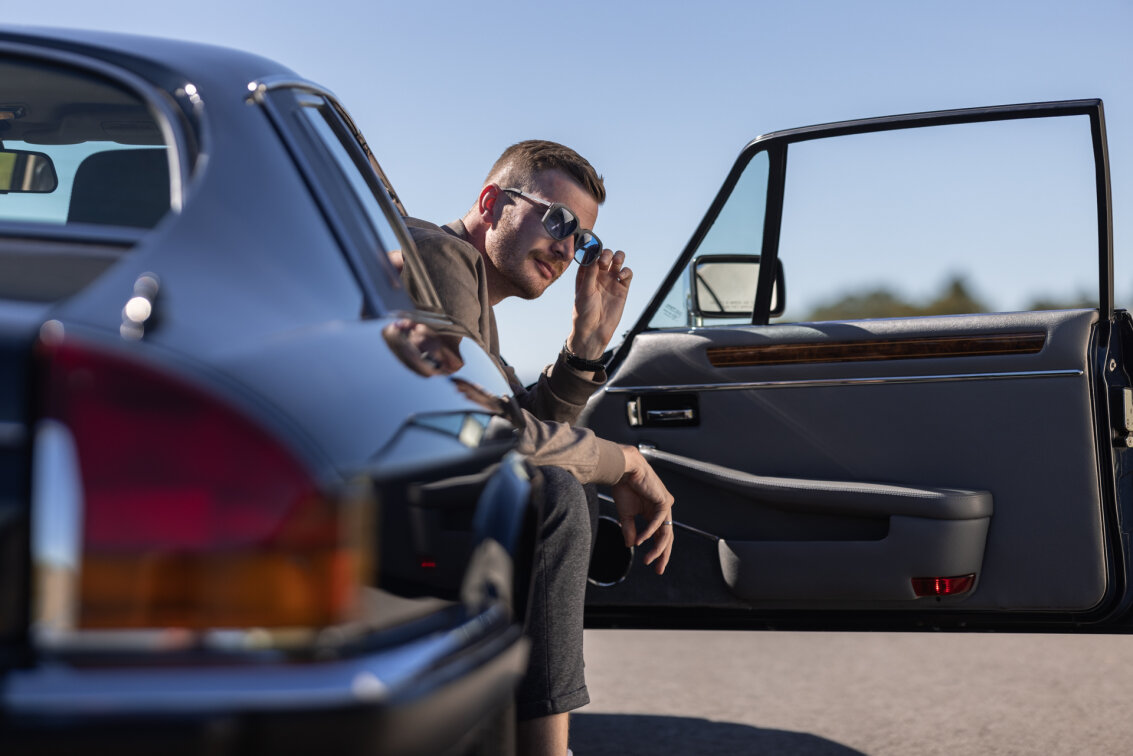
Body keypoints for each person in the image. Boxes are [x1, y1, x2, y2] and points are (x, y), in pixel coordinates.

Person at [400, 140, 675, 756]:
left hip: (409, 486)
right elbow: (489, 432)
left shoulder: (471, 295)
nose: (568, 248)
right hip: (371, 488)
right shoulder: (439, 254)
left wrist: (584, 347)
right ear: (492, 203)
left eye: (583, 241)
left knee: (555, 479)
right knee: (554, 487)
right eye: (558, 221)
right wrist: (623, 461)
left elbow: (515, 427)